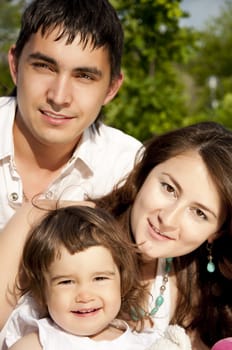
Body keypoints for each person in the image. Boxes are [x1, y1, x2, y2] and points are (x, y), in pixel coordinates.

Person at [1, 121, 232, 349]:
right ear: (146, 172)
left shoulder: (195, 296)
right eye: (169, 188)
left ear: (218, 231)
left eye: (199, 213)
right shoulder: (53, 227)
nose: (168, 219)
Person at [0, 0, 142, 231]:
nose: (59, 96)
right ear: (15, 65)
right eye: (44, 67)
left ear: (111, 89)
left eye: (84, 76)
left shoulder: (128, 170)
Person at [5, 205, 167, 349]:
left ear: (122, 281)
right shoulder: (38, 343)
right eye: (66, 282)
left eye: (99, 279)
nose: (85, 296)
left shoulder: (146, 344)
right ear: (42, 293)